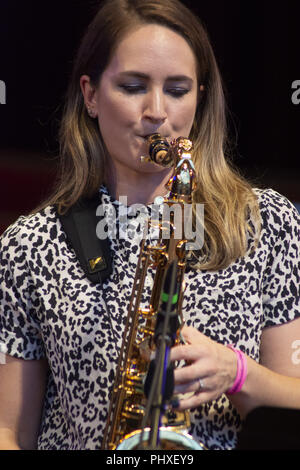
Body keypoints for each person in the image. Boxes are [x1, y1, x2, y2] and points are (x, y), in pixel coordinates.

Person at [0, 0, 299, 451]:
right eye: (134, 86)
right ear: (91, 95)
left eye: (178, 90)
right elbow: (9, 430)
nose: (157, 111)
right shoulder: (28, 246)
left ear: (201, 97)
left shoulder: (267, 223)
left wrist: (238, 373)